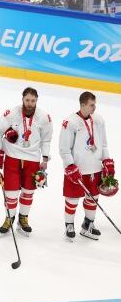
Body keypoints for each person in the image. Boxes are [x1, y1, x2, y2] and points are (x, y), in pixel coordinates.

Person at [0, 87, 53, 236]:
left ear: (37, 100)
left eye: (33, 100)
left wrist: (45, 158)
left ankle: (23, 218)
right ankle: (9, 218)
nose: (30, 103)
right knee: (11, 192)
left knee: (29, 191)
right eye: (27, 100)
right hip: (12, 156)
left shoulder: (45, 117)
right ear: (22, 99)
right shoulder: (12, 113)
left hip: (32, 159)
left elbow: (46, 139)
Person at [59, 91, 114, 240]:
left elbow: (103, 144)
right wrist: (70, 165)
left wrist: (107, 161)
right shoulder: (70, 122)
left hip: (94, 168)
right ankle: (69, 225)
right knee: (72, 199)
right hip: (77, 170)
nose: (94, 107)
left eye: (95, 104)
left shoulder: (99, 120)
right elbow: (64, 148)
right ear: (83, 105)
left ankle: (88, 224)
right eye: (91, 105)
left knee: (93, 197)